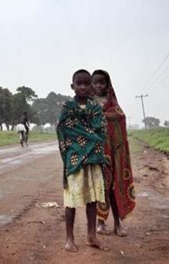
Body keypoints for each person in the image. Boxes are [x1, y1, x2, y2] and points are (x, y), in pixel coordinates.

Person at [57, 69, 109, 252]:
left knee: (92, 199)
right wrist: (88, 138)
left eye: (87, 83)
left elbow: (101, 130)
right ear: (72, 86)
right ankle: (69, 239)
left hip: (93, 159)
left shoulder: (95, 108)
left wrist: (91, 139)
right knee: (71, 200)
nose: (83, 87)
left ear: (91, 87)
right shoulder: (67, 108)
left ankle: (91, 235)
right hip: (74, 159)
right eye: (79, 83)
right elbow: (64, 132)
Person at [92, 69, 136, 237]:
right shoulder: (89, 103)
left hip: (114, 154)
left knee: (114, 187)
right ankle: (100, 223)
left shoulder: (113, 104)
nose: (98, 86)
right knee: (99, 187)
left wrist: (106, 117)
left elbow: (120, 118)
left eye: (102, 82)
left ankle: (118, 223)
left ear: (108, 84)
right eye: (95, 82)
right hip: (96, 153)